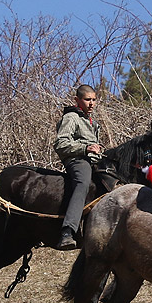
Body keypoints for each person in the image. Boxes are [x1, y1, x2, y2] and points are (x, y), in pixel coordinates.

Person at [52, 84, 103, 251]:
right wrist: (85, 148)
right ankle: (68, 231)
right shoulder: (71, 118)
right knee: (83, 182)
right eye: (87, 99)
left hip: (94, 161)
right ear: (77, 100)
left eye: (94, 100)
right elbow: (61, 144)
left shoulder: (92, 122)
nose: (91, 103)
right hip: (77, 161)